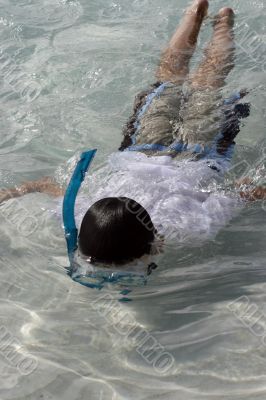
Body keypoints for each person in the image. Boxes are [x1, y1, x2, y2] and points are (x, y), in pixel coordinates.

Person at [1, 0, 265, 273]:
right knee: (168, 80)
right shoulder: (82, 215)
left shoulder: (191, 228)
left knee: (206, 86)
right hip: (143, 146)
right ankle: (193, 14)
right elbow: (45, 185)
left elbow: (245, 190)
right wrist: (10, 193)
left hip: (198, 155)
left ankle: (224, 23)